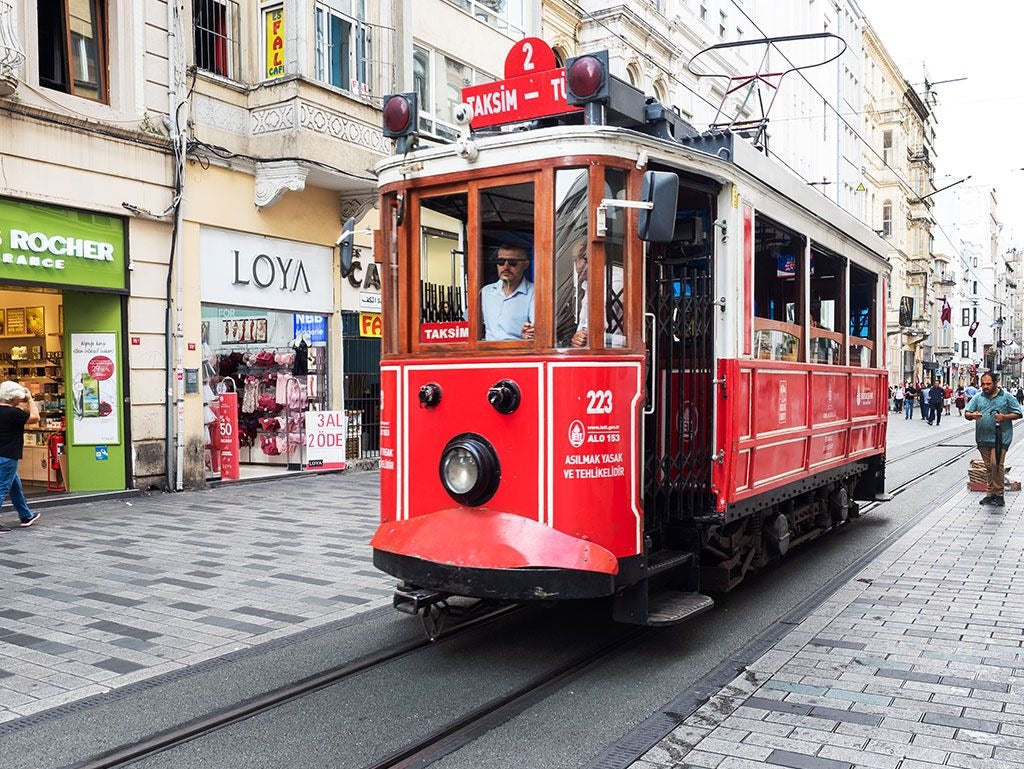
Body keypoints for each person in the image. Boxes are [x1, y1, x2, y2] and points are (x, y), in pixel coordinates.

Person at [964, 372, 1023, 507]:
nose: (985, 386)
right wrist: (972, 415)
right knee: (989, 467)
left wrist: (1004, 417)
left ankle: (999, 494)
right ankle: (990, 494)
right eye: (983, 384)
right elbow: (967, 413)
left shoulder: (1006, 397)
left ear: (996, 383)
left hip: (1001, 437)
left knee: (996, 464)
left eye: (988, 384)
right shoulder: (978, 398)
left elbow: (1018, 413)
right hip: (983, 438)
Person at [0, 381, 41, 532]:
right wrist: (30, 399)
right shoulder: (14, 413)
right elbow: (35, 417)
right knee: (2, 488)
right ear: (14, 398)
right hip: (8, 456)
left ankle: (25, 515)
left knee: (14, 486)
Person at [480, 242, 534, 341]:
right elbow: (467, 324)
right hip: (488, 353)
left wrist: (531, 332)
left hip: (519, 353)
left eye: (512, 262)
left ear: (525, 265)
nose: (505, 267)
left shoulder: (535, 293)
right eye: (500, 261)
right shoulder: (486, 292)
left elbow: (537, 328)